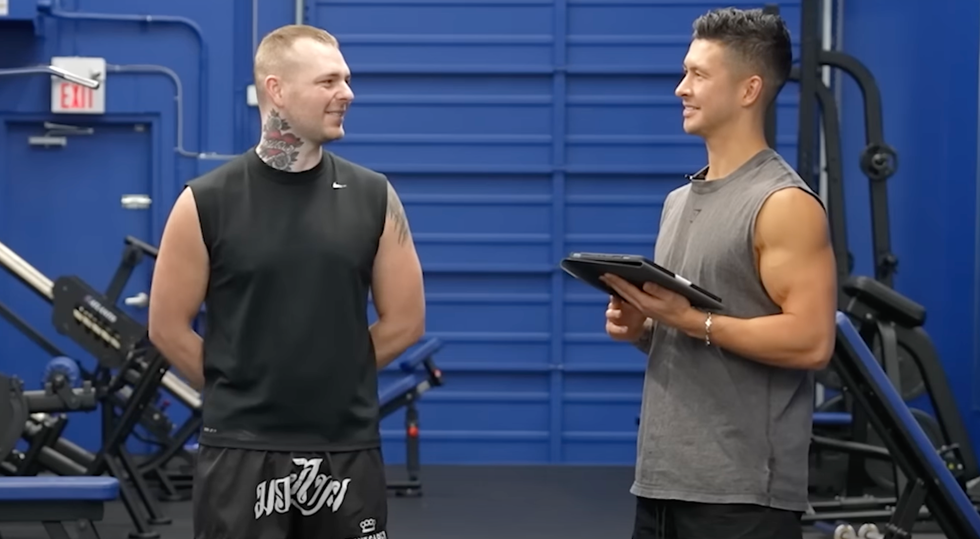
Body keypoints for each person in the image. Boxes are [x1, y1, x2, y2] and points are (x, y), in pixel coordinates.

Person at [147, 24, 425, 539]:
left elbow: (405, 321)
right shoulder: (206, 201)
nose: (347, 93)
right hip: (240, 451)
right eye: (328, 82)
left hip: (343, 446)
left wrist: (330, 379)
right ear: (276, 89)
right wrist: (241, 389)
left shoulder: (374, 197)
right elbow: (166, 326)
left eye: (345, 79)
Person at [601, 8, 837, 539]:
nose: (681, 89)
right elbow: (695, 333)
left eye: (698, 75)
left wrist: (689, 321)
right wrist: (646, 327)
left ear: (749, 89)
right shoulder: (678, 200)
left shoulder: (782, 203)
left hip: (742, 498)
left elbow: (812, 341)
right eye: (685, 72)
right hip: (662, 486)